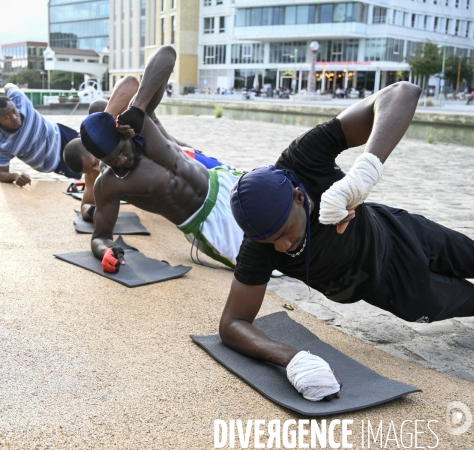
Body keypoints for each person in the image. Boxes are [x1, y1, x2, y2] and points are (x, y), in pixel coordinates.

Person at [219, 81, 474, 402]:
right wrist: (290, 357)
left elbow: (403, 93)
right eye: (270, 242)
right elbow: (232, 324)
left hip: (399, 229)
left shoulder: (303, 160)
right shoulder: (259, 246)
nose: (281, 247)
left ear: (299, 197)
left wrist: (362, 175)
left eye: (284, 234)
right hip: (393, 287)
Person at [73, 46, 249, 273]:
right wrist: (105, 251)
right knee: (268, 258)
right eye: (112, 160)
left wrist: (138, 107)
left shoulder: (143, 123)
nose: (122, 160)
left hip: (222, 183)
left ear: (123, 132)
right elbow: (100, 237)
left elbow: (167, 54)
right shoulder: (109, 184)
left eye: (122, 151)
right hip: (207, 224)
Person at [64, 85, 235, 223]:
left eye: (94, 163)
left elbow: (131, 83)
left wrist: (105, 126)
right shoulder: (96, 175)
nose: (96, 168)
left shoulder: (124, 129)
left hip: (191, 161)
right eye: (90, 169)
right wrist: (94, 212)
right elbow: (86, 204)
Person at [0, 83, 81, 187]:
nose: (14, 117)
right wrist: (15, 176)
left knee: (96, 152)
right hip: (57, 161)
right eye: (7, 117)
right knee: (89, 169)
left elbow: (9, 85)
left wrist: (6, 87)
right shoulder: (1, 144)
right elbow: (2, 173)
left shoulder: (19, 98)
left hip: (61, 134)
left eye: (14, 111)